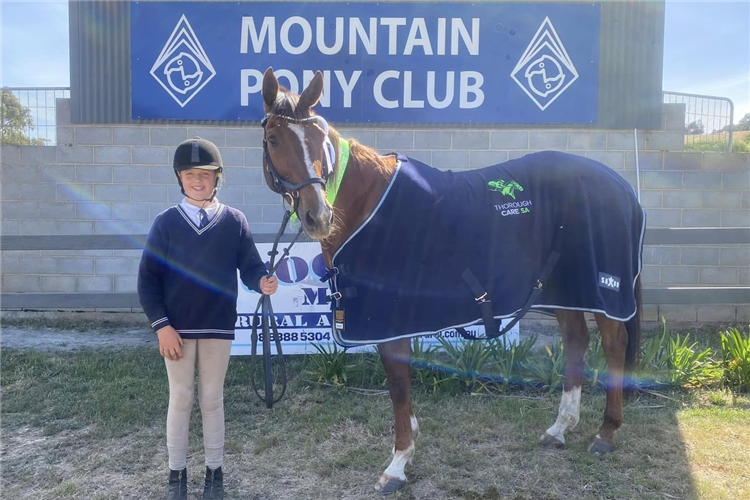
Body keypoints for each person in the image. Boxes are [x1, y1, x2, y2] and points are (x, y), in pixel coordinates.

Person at [138, 137, 278, 500]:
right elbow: (148, 279)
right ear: (179, 178)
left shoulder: (234, 221)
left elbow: (249, 266)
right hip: (177, 330)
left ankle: (214, 473)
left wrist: (262, 280)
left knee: (212, 398)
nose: (197, 180)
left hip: (218, 325)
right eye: (189, 174)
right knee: (181, 397)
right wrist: (161, 326)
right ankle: (176, 476)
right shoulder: (165, 223)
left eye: (205, 173)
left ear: (218, 177)